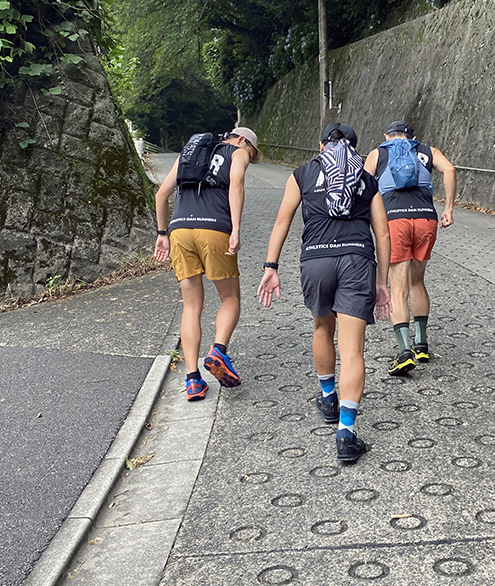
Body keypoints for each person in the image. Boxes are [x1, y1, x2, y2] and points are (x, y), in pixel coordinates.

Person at [257, 123, 391, 464]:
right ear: (356, 148)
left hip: (315, 259)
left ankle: (328, 397)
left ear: (320, 145)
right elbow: (383, 234)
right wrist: (383, 282)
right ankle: (345, 434)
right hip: (357, 259)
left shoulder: (302, 174)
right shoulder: (367, 178)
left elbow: (282, 222)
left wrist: (270, 266)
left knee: (321, 327)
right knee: (353, 349)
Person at [154, 127, 260, 399]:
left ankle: (192, 381)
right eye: (251, 151)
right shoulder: (237, 153)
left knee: (191, 306)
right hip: (214, 229)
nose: (249, 157)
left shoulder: (188, 153)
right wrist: (235, 228)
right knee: (230, 298)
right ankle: (218, 351)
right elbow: (236, 184)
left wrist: (162, 234)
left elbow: (161, 195)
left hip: (179, 231)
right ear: (242, 140)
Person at [363, 120, 456, 375]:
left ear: (387, 136)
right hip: (426, 219)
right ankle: (421, 344)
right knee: (417, 282)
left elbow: (364, 185)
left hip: (395, 220)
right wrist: (448, 209)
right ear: (412, 137)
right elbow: (449, 170)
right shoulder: (427, 151)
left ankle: (404, 352)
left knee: (397, 285)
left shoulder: (378, 153)